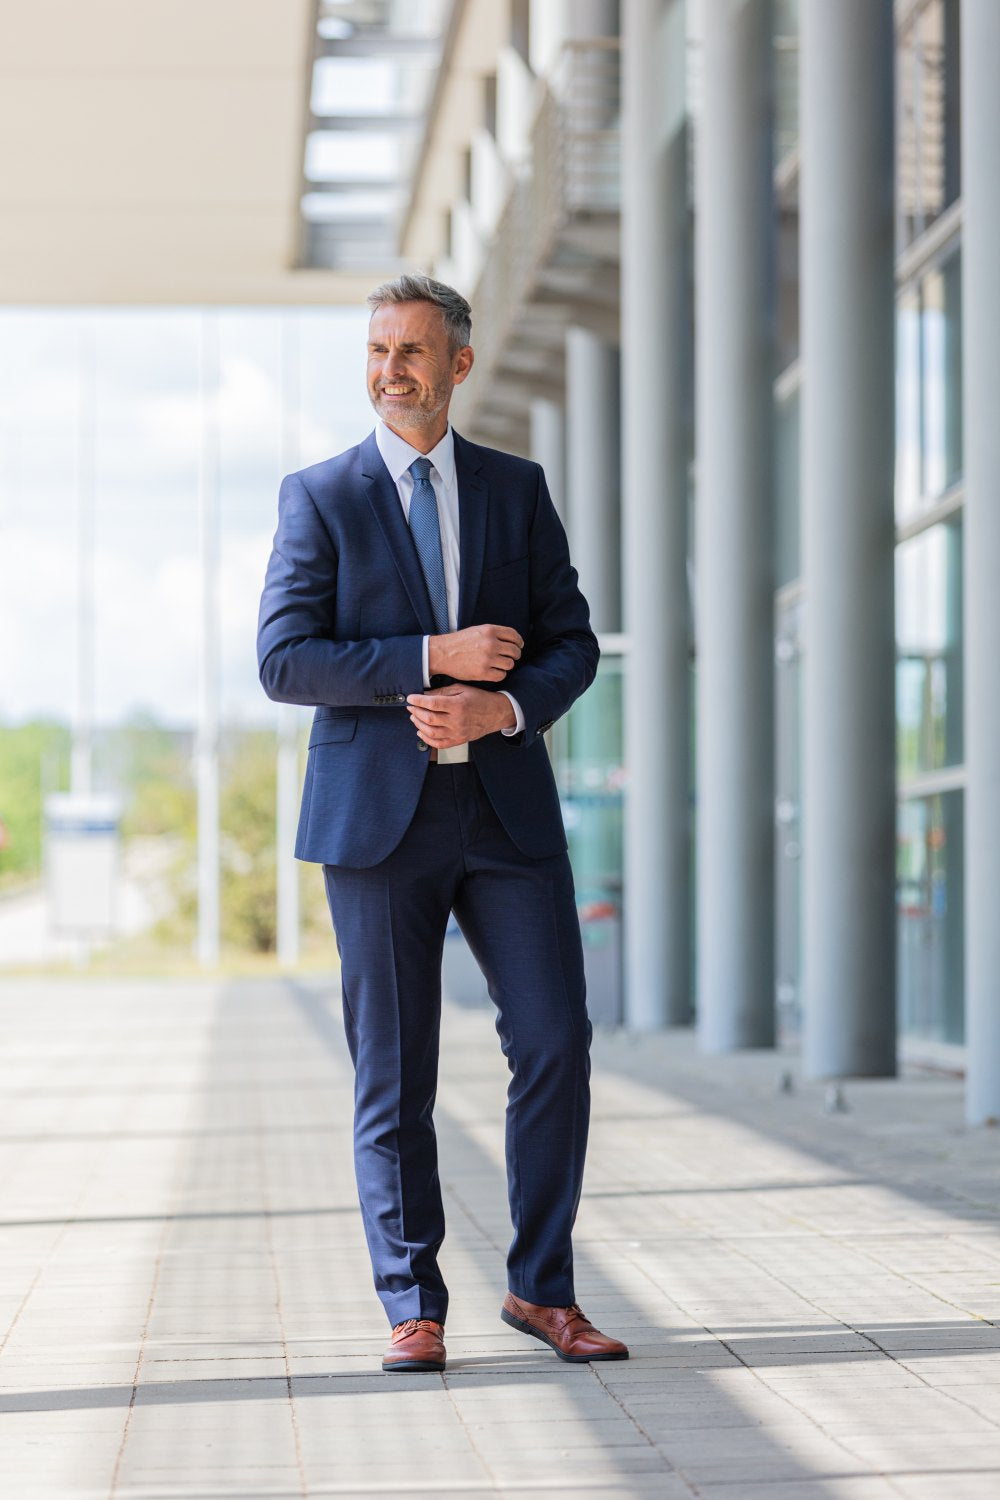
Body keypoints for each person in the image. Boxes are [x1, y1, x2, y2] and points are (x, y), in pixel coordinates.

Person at [257, 274, 627, 1373]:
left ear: (458, 365)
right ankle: (411, 1303)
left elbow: (572, 642)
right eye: (378, 351)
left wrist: (503, 704)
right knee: (394, 1071)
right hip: (376, 823)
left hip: (504, 813)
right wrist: (432, 657)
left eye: (412, 351)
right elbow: (285, 659)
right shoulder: (318, 495)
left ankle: (541, 1289)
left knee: (556, 1040)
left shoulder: (516, 489)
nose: (391, 370)